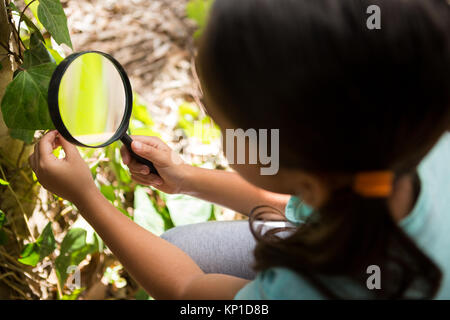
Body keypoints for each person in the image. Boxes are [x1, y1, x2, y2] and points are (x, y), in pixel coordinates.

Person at [29, 0, 450, 299]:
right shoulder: (409, 143)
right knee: (183, 246)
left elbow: (187, 290)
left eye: (218, 119)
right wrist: (186, 178)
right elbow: (295, 199)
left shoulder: (308, 288)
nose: (213, 125)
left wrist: (86, 197)